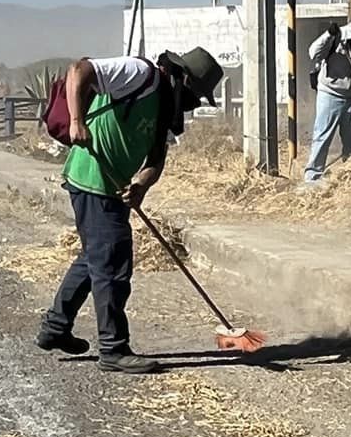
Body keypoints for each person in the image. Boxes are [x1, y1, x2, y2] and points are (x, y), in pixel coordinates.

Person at [35, 47, 224, 374]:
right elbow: (79, 70)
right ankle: (113, 348)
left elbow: (155, 160)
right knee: (112, 262)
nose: (193, 105)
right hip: (92, 176)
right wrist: (78, 121)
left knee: (94, 257)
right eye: (195, 96)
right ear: (183, 80)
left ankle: (55, 328)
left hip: (115, 187)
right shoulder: (140, 74)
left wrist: (141, 186)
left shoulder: (165, 108)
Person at [303, 11, 351, 182]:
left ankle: (350, 174)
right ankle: (312, 175)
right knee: (323, 134)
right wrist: (328, 34)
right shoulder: (337, 37)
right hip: (330, 94)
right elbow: (314, 52)